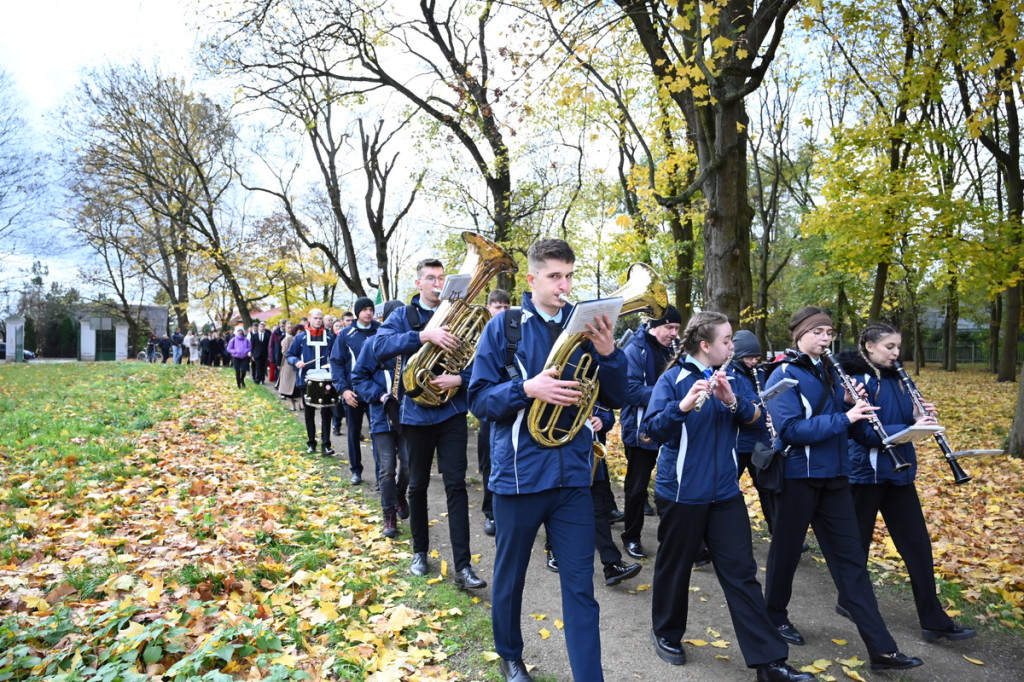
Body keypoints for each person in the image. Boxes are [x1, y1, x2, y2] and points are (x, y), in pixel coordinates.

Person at [469, 238, 625, 682]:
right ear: (532, 278)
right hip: (519, 476)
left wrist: (610, 356)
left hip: (574, 477)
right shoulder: (505, 328)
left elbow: (614, 397)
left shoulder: (584, 327)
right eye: (555, 276)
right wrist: (527, 389)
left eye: (570, 275)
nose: (564, 285)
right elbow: (479, 400)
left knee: (581, 586)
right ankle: (510, 655)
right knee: (511, 576)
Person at [641, 311, 811, 682]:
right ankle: (666, 634)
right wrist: (683, 406)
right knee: (675, 567)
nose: (733, 347)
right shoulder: (672, 379)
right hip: (682, 494)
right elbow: (651, 431)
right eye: (727, 341)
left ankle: (769, 663)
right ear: (706, 345)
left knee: (742, 573)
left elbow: (760, 422)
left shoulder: (733, 376)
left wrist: (733, 401)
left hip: (725, 494)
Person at [762, 306, 923, 672]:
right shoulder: (782, 374)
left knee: (852, 563)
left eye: (829, 332)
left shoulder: (832, 372)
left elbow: (857, 432)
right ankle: (774, 615)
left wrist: (899, 426)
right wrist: (843, 414)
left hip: (835, 479)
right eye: (817, 331)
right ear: (799, 334)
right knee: (786, 554)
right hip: (798, 478)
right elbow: (789, 430)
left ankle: (882, 650)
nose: (824, 337)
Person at [837, 322, 976, 642]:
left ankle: (933, 620)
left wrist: (920, 420)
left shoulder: (900, 379)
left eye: (898, 346)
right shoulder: (857, 381)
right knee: (855, 545)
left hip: (900, 473)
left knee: (917, 546)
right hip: (867, 474)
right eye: (889, 347)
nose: (896, 353)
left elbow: (902, 423)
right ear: (869, 347)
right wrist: (907, 425)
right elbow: (865, 434)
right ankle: (848, 599)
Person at [375, 258, 486, 592]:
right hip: (416, 414)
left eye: (441, 278)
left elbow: (482, 360)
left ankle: (464, 566)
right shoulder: (403, 317)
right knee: (418, 486)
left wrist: (460, 378)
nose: (437, 284)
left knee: (456, 486)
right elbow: (377, 347)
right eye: (430, 278)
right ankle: (420, 552)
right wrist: (422, 335)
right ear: (418, 283)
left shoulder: (463, 314)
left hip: (451, 412)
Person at [619, 304, 681, 560]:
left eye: (677, 328)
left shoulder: (676, 351)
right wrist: (667, 396)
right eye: (669, 327)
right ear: (654, 326)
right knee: (637, 488)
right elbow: (630, 390)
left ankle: (675, 539)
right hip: (641, 429)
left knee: (673, 483)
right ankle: (631, 537)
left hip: (670, 427)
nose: (674, 333)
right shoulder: (635, 350)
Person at [352, 300, 411, 538]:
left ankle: (399, 494)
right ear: (385, 320)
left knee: (407, 466)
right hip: (381, 416)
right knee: (386, 469)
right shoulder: (372, 344)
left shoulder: (410, 344)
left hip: (408, 417)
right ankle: (388, 514)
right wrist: (380, 395)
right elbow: (359, 377)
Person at [330, 297, 380, 485]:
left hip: (376, 394)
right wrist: (343, 390)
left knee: (378, 434)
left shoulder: (380, 330)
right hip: (353, 394)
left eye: (371, 309)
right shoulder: (346, 334)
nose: (368, 312)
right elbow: (336, 362)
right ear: (358, 312)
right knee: (353, 433)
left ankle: (381, 474)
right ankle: (356, 471)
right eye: (364, 309)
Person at [731, 330, 777, 535]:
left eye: (756, 357)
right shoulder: (732, 374)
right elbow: (741, 404)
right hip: (739, 442)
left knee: (767, 489)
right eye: (749, 357)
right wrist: (759, 407)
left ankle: (778, 532)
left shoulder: (758, 372)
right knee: (727, 488)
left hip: (759, 442)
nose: (753, 361)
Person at [477, 288, 511, 535]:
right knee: (489, 460)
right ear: (488, 308)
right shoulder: (480, 332)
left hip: (511, 399)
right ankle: (490, 513)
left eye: (506, 307)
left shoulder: (514, 330)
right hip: (489, 402)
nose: (502, 311)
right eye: (498, 307)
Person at [287, 309, 337, 456]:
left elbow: (336, 356)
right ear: (309, 319)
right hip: (306, 380)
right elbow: (290, 355)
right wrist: (296, 362)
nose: (318, 321)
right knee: (309, 413)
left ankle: (326, 445)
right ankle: (311, 443)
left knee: (326, 412)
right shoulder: (300, 338)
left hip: (325, 379)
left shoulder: (329, 338)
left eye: (320, 318)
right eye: (315, 318)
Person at [278, 323, 301, 411]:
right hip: (290, 366)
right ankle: (293, 404)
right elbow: (284, 352)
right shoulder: (288, 339)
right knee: (291, 387)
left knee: (300, 387)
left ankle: (301, 403)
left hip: (301, 365)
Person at [269, 319, 287, 383]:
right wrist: (271, 357)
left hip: (285, 354)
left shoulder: (288, 333)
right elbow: (271, 346)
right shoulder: (275, 333)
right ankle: (278, 383)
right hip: (277, 354)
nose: (283, 327)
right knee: (278, 370)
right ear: (279, 324)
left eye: (284, 326)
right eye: (281, 326)